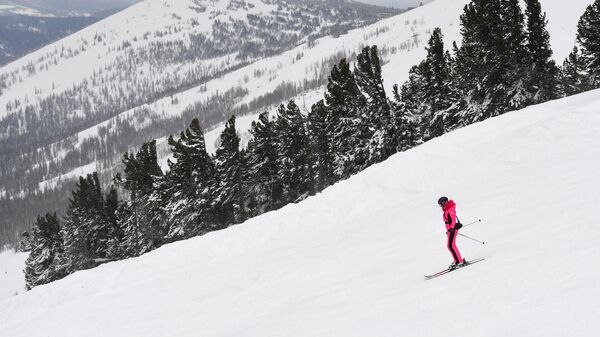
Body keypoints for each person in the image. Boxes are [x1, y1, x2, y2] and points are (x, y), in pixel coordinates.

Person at [438, 196, 467, 269]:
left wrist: (451, 229)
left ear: (444, 202)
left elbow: (453, 220)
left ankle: (460, 261)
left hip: (452, 230)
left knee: (452, 245)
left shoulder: (450, 210)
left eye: (441, 204)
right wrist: (448, 231)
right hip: (450, 231)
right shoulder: (446, 210)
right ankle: (456, 260)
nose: (440, 206)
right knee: (450, 246)